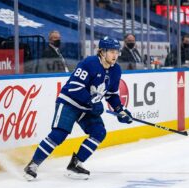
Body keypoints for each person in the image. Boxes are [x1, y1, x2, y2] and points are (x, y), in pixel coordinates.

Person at [24, 37, 133, 180]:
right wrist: (91, 101)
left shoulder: (116, 70)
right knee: (59, 134)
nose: (115, 55)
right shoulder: (90, 63)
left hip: (87, 107)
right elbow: (75, 87)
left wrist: (120, 110)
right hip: (70, 102)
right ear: (102, 52)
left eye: (117, 52)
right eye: (112, 51)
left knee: (99, 132)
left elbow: (112, 94)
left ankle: (75, 164)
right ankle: (32, 165)